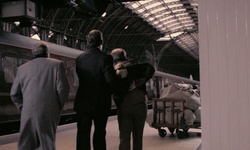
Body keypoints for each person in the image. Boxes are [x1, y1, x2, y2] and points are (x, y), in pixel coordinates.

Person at [10, 42, 70, 150]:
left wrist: (23, 107)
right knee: (46, 142)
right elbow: (63, 90)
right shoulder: (57, 65)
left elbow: (14, 93)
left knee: (26, 144)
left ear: (33, 53)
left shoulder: (22, 69)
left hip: (27, 112)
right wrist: (57, 106)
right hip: (49, 111)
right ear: (47, 53)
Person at [74, 29, 123, 150]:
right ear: (101, 41)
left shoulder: (80, 58)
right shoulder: (105, 58)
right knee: (100, 133)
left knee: (82, 134)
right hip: (100, 103)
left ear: (88, 41)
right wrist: (118, 77)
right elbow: (111, 81)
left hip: (83, 102)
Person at [111, 48, 155, 150]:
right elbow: (151, 68)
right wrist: (138, 82)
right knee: (138, 138)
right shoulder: (136, 65)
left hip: (124, 108)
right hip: (140, 105)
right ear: (125, 56)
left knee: (124, 138)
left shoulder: (114, 70)